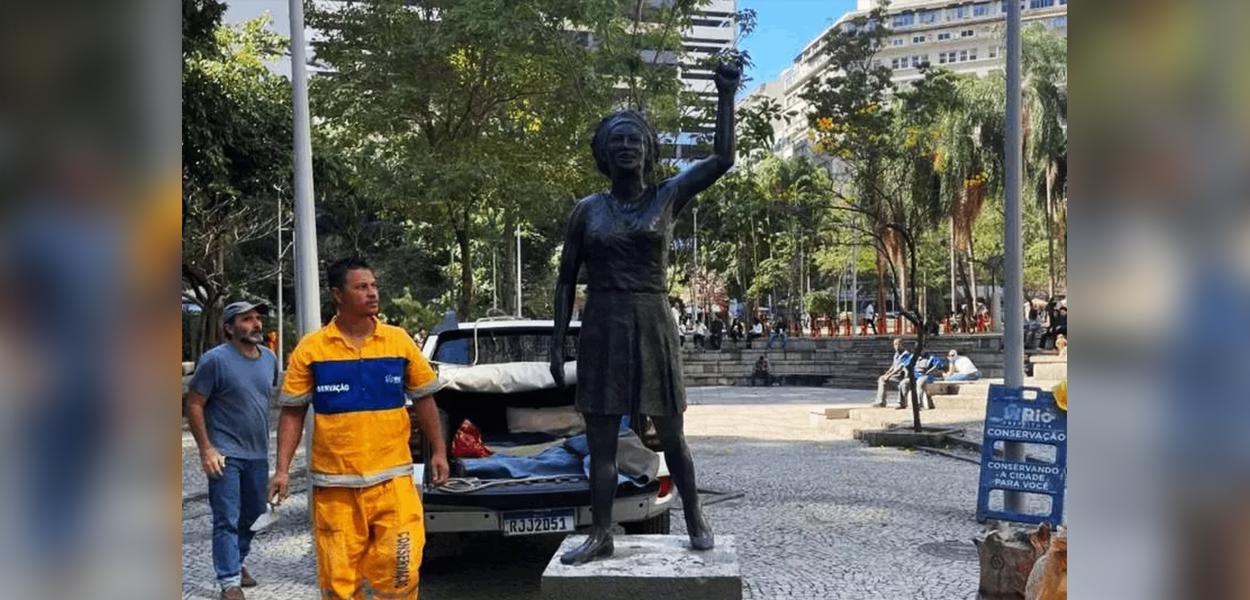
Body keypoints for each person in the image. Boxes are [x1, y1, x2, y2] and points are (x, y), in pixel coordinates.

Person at [549, 60, 739, 566]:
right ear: (604, 154)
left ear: (649, 150)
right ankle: (601, 532)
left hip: (652, 321)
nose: (627, 147)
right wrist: (557, 344)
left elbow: (722, 159)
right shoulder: (587, 210)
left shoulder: (667, 195)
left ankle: (695, 516)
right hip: (603, 324)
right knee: (601, 441)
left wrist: (725, 95)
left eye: (635, 140)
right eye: (617, 141)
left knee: (671, 433)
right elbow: (566, 280)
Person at [268, 257, 449, 600]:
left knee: (399, 576)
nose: (372, 293)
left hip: (393, 484)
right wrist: (281, 470)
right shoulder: (312, 349)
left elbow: (425, 399)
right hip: (335, 490)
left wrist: (439, 451)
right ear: (338, 294)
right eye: (361, 287)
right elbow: (292, 412)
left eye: (374, 285)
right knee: (339, 585)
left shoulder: (399, 341)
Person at [186, 301, 279, 600]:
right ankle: (229, 582)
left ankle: (236, 561)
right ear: (229, 327)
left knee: (254, 513)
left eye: (257, 318)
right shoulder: (215, 360)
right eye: (246, 319)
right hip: (224, 453)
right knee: (227, 517)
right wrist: (206, 450)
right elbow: (194, 404)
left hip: (258, 453)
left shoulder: (270, 359)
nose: (256, 324)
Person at [874, 338, 911, 408]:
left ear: (902, 345)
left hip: (902, 376)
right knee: (881, 379)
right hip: (895, 376)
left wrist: (889, 376)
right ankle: (881, 402)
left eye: (898, 344)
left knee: (884, 379)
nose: (896, 346)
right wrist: (887, 373)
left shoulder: (906, 355)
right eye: (894, 344)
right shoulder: (896, 354)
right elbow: (893, 365)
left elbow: (899, 368)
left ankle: (901, 403)